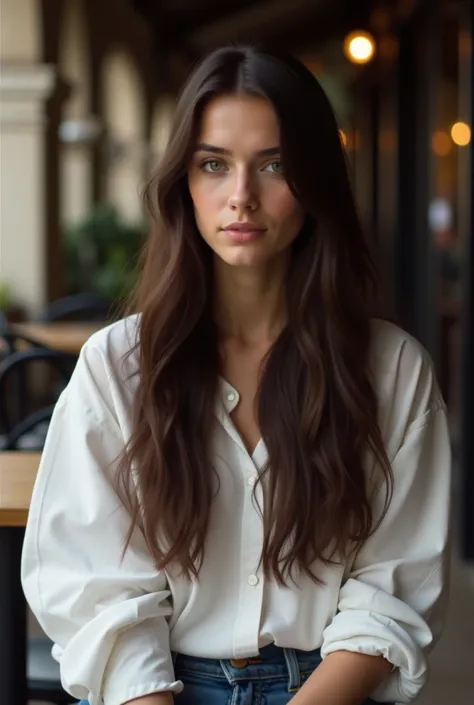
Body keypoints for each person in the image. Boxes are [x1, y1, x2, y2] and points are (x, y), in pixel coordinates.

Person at [21, 46, 451, 705]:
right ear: (183, 183)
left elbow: (389, 591)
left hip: (324, 688)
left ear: (315, 182)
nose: (241, 197)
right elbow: (95, 589)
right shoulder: (117, 366)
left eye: (274, 164)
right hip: (151, 688)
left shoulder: (392, 370)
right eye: (214, 164)